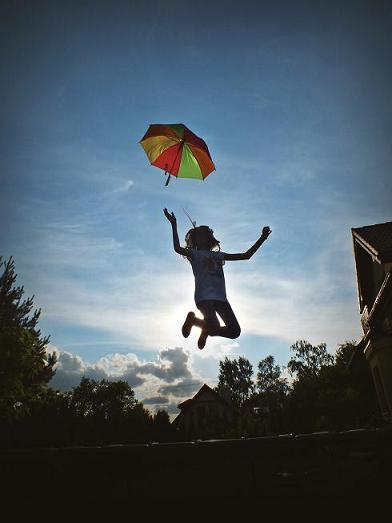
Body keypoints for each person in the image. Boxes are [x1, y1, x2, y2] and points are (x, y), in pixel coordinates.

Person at [163, 208, 271, 349]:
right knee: (214, 326)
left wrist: (262, 238)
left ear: (210, 239)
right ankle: (194, 321)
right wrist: (174, 224)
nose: (205, 237)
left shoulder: (219, 256)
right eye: (202, 235)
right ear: (196, 239)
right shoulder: (195, 254)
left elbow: (246, 255)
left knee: (234, 331)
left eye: (207, 235)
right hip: (204, 297)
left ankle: (204, 328)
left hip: (221, 298)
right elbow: (177, 248)